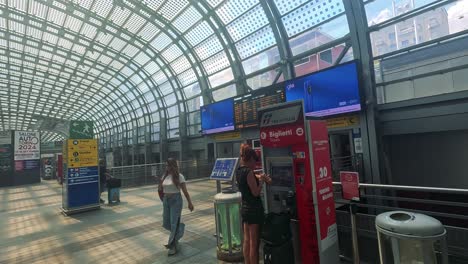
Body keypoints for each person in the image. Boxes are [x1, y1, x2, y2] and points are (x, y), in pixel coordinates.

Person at [236, 144, 271, 264]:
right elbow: (256, 192)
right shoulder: (249, 172)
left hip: (245, 209)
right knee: (254, 244)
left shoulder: (239, 171)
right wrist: (261, 182)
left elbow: (250, 178)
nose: (255, 165)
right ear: (250, 159)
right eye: (254, 162)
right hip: (254, 210)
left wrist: (259, 176)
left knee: (247, 240)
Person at [158, 158, 194, 256]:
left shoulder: (179, 176)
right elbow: (161, 188)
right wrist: (159, 184)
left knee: (173, 223)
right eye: (166, 165)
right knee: (166, 222)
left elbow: (185, 191)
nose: (167, 167)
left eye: (168, 165)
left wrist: (190, 203)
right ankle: (180, 229)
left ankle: (172, 245)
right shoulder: (165, 176)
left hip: (176, 201)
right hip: (166, 200)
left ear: (173, 166)